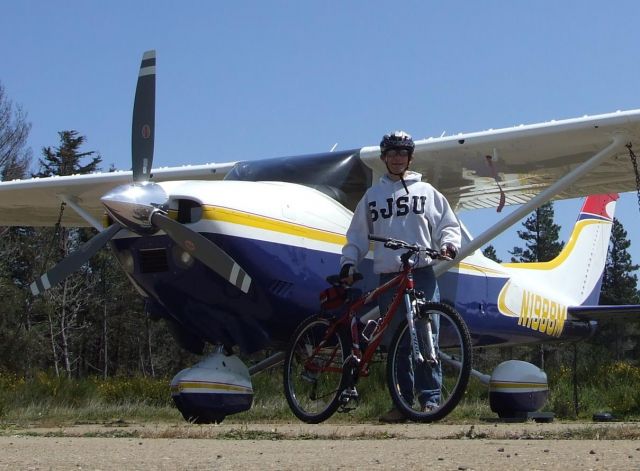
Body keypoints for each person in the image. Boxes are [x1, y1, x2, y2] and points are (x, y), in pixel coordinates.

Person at [339, 130, 461, 423]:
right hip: (389, 277)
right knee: (396, 342)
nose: (396, 158)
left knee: (425, 335)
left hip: (420, 272)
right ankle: (402, 403)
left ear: (410, 158)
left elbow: (447, 223)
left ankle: (431, 400)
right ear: (383, 158)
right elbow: (356, 235)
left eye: (402, 153)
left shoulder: (427, 192)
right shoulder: (372, 196)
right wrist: (348, 262)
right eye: (391, 153)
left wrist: (448, 244)